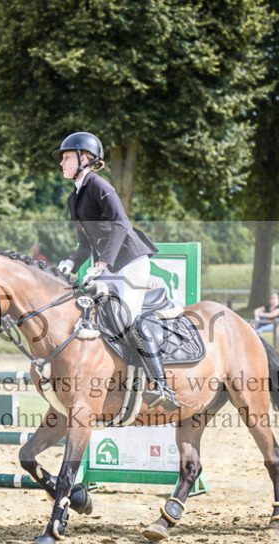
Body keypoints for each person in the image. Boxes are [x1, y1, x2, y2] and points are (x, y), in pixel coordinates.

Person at [53, 131, 177, 411]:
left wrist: (102, 265)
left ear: (84, 159)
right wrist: (71, 262)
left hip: (130, 262)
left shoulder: (99, 185)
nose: (61, 163)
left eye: (66, 157)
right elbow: (85, 243)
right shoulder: (74, 198)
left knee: (128, 319)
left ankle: (162, 385)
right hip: (106, 267)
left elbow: (121, 225)